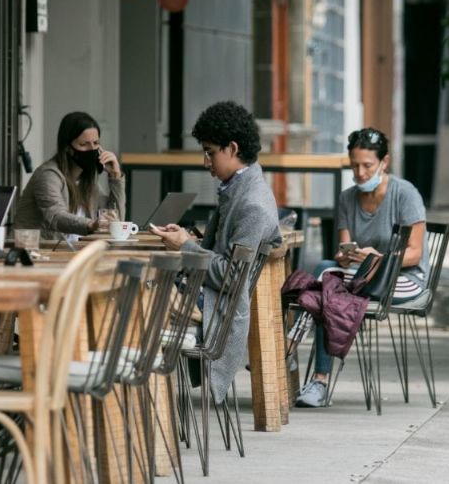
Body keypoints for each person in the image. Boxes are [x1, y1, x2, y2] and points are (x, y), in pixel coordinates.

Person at [150, 101, 281, 403]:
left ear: (232, 148)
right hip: (204, 296)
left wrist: (186, 246)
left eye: (210, 152)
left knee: (127, 307)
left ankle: (138, 411)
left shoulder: (252, 205)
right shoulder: (238, 188)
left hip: (214, 308)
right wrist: (188, 242)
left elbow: (233, 279)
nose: (205, 161)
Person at [295, 127, 428, 408]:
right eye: (354, 165)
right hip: (363, 278)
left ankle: (302, 358)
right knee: (326, 275)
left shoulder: (405, 194)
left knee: (326, 292)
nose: (360, 173)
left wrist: (378, 258)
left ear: (384, 162)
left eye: (367, 165)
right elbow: (343, 250)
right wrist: (346, 258)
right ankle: (317, 380)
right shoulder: (347, 198)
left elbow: (415, 254)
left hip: (404, 279)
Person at [14, 112, 125, 241]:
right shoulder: (48, 175)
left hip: (70, 252)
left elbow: (115, 221)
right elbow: (55, 216)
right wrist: (91, 224)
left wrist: (115, 177)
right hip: (33, 251)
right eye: (84, 145)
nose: (92, 149)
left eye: (96, 143)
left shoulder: (87, 180)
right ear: (67, 147)